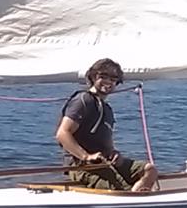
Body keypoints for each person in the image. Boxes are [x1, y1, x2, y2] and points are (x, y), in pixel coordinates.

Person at [56, 57, 158, 194]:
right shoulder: (83, 101)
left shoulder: (107, 109)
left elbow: (108, 144)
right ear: (93, 77)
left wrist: (114, 154)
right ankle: (131, 200)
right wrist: (86, 157)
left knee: (149, 170)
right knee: (122, 190)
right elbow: (62, 133)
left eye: (113, 79)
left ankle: (134, 198)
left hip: (105, 161)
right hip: (82, 166)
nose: (108, 82)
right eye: (103, 76)